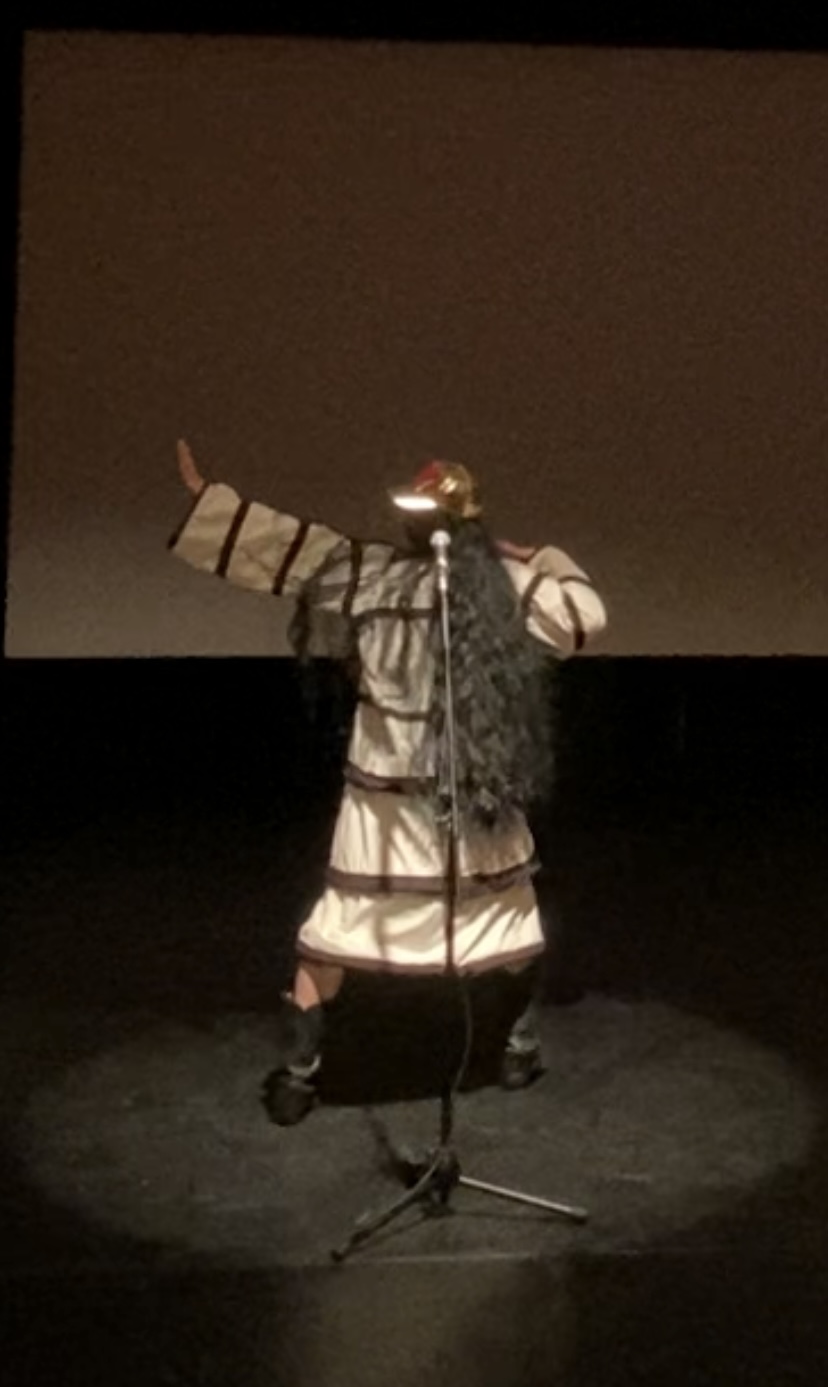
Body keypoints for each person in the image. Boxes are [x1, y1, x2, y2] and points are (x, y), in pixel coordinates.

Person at [170, 440, 606, 1123]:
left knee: (399, 930)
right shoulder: (501, 585)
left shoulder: (375, 574)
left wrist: (210, 503)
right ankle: (510, 1048)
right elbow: (582, 614)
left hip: (426, 809)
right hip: (436, 808)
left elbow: (291, 553)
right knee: (497, 926)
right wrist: (542, 557)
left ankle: (308, 1075)